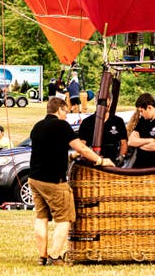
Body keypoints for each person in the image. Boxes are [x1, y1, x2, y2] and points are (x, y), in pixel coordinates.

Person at [29, 97, 113, 266]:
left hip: (34, 179)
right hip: (54, 181)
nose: (67, 116)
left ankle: (42, 256)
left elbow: (48, 151)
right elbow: (81, 147)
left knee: (41, 217)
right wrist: (100, 161)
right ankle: (55, 256)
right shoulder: (62, 126)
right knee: (64, 218)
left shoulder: (37, 126)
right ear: (59, 109)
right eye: (66, 112)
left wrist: (70, 156)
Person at [78, 95, 128, 166]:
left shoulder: (118, 121)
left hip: (112, 162)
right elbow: (82, 145)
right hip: (92, 162)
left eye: (105, 103)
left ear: (110, 103)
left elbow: (124, 143)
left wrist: (120, 159)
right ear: (95, 102)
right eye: (100, 103)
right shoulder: (87, 122)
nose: (103, 106)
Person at [127, 93, 155, 168]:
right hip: (138, 166)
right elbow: (131, 141)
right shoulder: (143, 120)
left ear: (149, 107)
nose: (141, 114)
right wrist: (151, 140)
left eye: (141, 111)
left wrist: (138, 144)